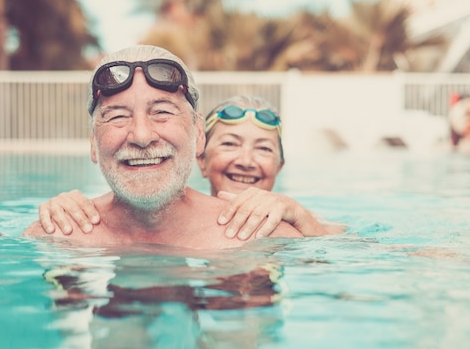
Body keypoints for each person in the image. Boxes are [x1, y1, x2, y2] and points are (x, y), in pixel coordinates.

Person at [22, 45, 302, 248]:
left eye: (162, 112)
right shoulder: (56, 238)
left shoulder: (265, 236)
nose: (142, 136)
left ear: (198, 135)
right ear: (93, 144)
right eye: (118, 116)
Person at [37, 95, 345, 240]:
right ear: (200, 157)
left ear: (280, 166)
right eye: (229, 144)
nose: (246, 160)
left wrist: (305, 222)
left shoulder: (297, 224)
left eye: (263, 149)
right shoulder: (173, 212)